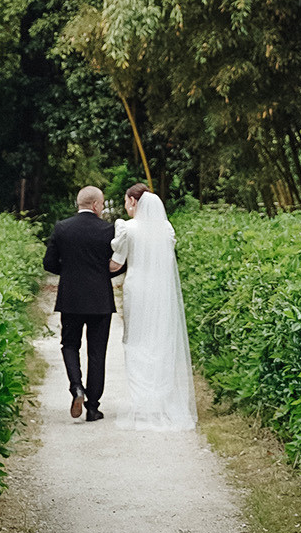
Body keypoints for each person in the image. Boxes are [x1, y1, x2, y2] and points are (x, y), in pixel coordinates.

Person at [109, 183, 197, 431]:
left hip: (137, 289)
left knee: (136, 340)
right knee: (159, 340)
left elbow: (116, 264)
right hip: (161, 290)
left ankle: (141, 402)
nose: (126, 206)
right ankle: (159, 400)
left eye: (127, 201)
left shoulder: (127, 228)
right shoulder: (166, 229)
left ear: (133, 202)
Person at [43, 185, 120, 420]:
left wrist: (68, 272)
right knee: (97, 352)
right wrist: (103, 273)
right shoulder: (108, 230)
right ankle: (93, 407)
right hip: (100, 300)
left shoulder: (62, 228)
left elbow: (49, 263)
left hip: (71, 298)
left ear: (80, 204)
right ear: (96, 205)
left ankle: (76, 387)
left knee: (69, 345)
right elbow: (118, 264)